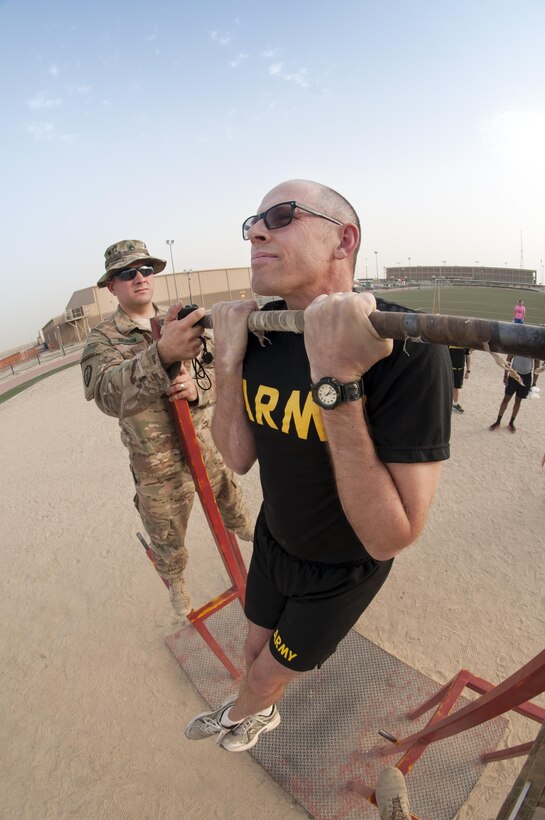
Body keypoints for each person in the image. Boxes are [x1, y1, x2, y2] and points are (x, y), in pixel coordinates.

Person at [184, 180, 452, 752]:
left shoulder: (409, 350)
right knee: (252, 651)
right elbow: (238, 457)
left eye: (280, 217)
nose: (256, 231)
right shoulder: (262, 332)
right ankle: (255, 713)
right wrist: (228, 361)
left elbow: (389, 537)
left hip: (340, 570)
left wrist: (336, 379)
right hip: (276, 541)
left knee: (263, 675)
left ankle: (241, 714)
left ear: (343, 240)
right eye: (252, 223)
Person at [81, 240, 253, 617]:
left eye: (146, 269)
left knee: (235, 507)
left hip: (206, 445)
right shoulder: (103, 340)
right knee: (166, 533)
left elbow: (214, 371)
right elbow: (108, 396)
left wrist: (197, 391)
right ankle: (175, 581)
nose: (139, 278)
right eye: (128, 273)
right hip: (156, 464)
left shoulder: (183, 320)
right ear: (112, 286)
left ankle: (253, 539)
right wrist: (160, 355)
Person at [489, 353, 540, 433]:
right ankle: (498, 421)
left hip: (526, 378)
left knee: (518, 401)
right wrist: (505, 375)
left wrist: (534, 383)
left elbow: (537, 364)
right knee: (506, 399)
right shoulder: (517, 344)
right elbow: (508, 359)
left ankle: (511, 422)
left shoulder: (533, 348)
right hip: (513, 375)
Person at [448, 345, 471, 413]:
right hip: (449, 368)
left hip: (459, 369)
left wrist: (468, 370)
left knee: (456, 387)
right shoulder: (449, 341)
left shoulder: (465, 342)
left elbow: (468, 356)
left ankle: (455, 404)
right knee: (445, 386)